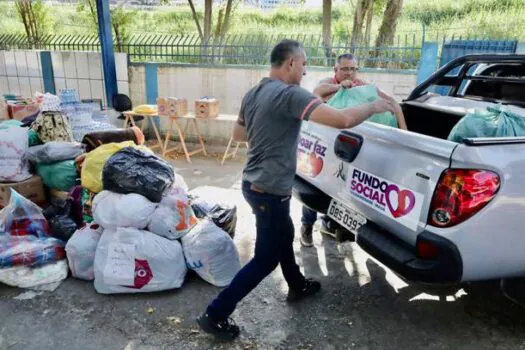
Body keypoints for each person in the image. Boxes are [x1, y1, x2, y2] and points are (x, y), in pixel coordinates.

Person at [197, 39, 396, 341]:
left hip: (254, 182)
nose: (304, 72)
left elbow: (239, 133)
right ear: (291, 63)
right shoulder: (291, 95)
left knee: (285, 233)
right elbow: (341, 120)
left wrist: (271, 133)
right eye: (303, 65)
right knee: (265, 258)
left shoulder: (255, 91)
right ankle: (216, 314)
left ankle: (297, 284)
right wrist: (374, 105)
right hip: (269, 189)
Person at [300, 53, 408, 248]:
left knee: (338, 188)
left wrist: (405, 133)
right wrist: (339, 86)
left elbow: (392, 102)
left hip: (350, 149)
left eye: (353, 69)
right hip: (324, 147)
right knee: (315, 185)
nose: (349, 73)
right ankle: (307, 225)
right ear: (336, 70)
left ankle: (330, 223)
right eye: (345, 69)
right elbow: (317, 91)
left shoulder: (363, 86)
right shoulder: (328, 85)